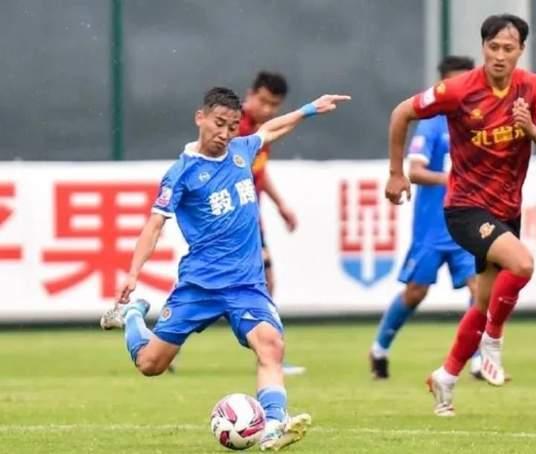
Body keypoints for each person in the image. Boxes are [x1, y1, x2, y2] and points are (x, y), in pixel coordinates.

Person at [100, 87, 350, 449]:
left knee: (271, 346)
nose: (225, 133)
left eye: (232, 126)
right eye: (219, 123)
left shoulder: (241, 151)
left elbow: (271, 129)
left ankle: (274, 425)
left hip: (246, 285)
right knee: (151, 364)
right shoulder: (181, 174)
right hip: (199, 286)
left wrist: (311, 108)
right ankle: (133, 316)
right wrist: (134, 273)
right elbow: (154, 226)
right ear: (200, 118)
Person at [384, 14, 536, 416]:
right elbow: (401, 113)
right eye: (493, 47)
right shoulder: (458, 90)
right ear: (483, 47)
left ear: (521, 50)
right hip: (464, 208)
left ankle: (446, 377)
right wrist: (396, 173)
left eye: (508, 48)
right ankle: (492, 345)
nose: (499, 55)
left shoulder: (532, 88)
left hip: (506, 210)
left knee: (481, 304)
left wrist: (530, 129)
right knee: (522, 263)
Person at [369, 56, 477, 380]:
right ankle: (380, 348)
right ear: (441, 85)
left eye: (467, 81)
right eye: (456, 82)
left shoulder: (478, 122)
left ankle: (477, 360)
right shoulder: (432, 124)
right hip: (432, 228)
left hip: (468, 223)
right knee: (416, 292)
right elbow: (415, 171)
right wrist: (454, 179)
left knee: (480, 288)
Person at [240, 71, 304, 376]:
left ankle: (270, 351)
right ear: (250, 95)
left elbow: (259, 174)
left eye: (274, 105)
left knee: (263, 280)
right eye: (263, 101)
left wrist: (281, 206)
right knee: (215, 286)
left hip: (251, 218)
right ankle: (271, 352)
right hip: (231, 220)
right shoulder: (236, 128)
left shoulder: (260, 132)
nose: (267, 109)